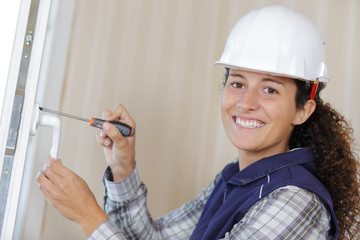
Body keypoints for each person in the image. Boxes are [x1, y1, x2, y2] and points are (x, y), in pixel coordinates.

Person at [37, 5, 360, 240]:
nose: (246, 102)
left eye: (269, 89)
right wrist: (123, 168)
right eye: (237, 83)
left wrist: (87, 216)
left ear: (303, 110)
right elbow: (152, 238)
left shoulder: (294, 202)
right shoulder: (238, 180)